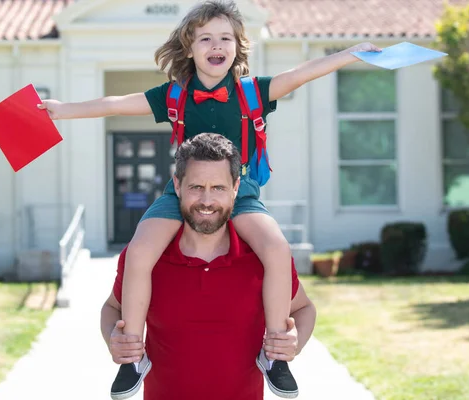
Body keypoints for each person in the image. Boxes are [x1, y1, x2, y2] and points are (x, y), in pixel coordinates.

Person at [38, 1, 379, 397]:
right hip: (183, 189)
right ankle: (133, 355)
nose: (216, 45)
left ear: (238, 46)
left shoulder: (254, 92)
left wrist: (351, 53)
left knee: (275, 247)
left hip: (241, 189)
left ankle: (275, 356)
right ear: (189, 47)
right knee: (140, 248)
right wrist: (62, 110)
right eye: (205, 38)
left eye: (225, 38)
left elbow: (301, 74)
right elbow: (114, 104)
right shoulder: (174, 96)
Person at [101, 133, 317, 400]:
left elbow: (304, 308)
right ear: (177, 186)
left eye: (218, 188)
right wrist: (115, 339)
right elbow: (112, 308)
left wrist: (293, 345)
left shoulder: (262, 259)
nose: (206, 201)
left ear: (236, 188)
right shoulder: (146, 257)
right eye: (196, 187)